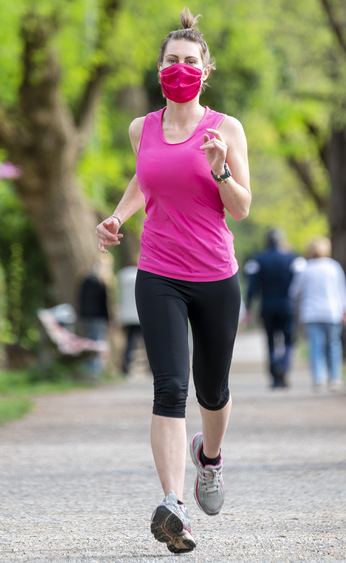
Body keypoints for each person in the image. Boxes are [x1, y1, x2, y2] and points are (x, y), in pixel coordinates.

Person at [94, 7, 251, 554]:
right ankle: (172, 505)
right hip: (158, 271)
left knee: (213, 389)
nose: (179, 68)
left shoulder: (225, 129)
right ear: (159, 68)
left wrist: (220, 169)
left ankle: (209, 459)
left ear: (205, 71)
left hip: (215, 275)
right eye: (171, 60)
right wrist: (117, 217)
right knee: (169, 387)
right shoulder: (143, 127)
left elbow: (242, 208)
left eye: (189, 61)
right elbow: (145, 178)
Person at [289, 237, 346, 392]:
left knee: (316, 346)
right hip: (332, 311)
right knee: (334, 345)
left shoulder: (306, 269)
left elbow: (294, 292)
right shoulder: (334, 267)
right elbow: (341, 290)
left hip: (311, 313)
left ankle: (319, 379)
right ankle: (335, 379)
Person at [243, 229, 305, 389]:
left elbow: (252, 286)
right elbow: (298, 284)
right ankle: (283, 367)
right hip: (287, 306)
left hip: (267, 305)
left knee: (270, 341)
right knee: (288, 341)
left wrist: (249, 307)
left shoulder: (259, 260)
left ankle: (274, 376)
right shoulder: (292, 259)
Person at [77, 261, 110, 377]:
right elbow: (103, 304)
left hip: (86, 316)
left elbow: (80, 299)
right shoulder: (101, 284)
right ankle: (95, 372)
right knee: (97, 343)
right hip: (97, 317)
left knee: (88, 343)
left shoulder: (85, 281)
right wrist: (108, 319)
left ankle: (88, 370)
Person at [116, 256, 143, 377]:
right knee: (148, 343)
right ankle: (153, 368)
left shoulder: (121, 276)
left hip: (127, 316)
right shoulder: (139, 275)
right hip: (139, 314)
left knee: (130, 343)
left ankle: (125, 368)